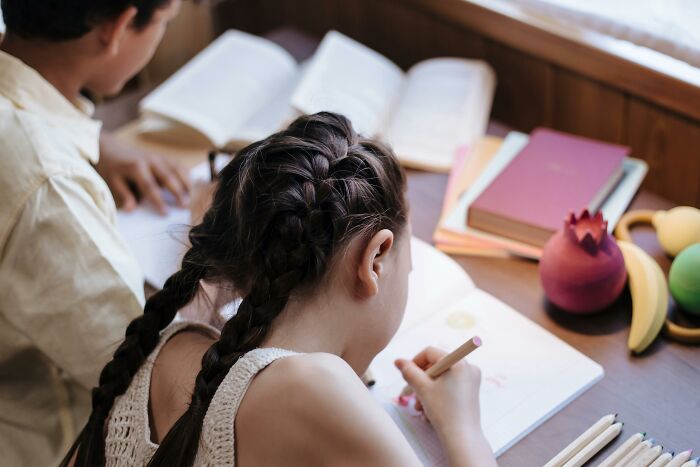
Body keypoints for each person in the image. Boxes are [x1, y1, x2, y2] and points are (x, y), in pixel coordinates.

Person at [65, 112, 497, 467]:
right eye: (409, 267)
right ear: (375, 259)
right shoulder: (317, 388)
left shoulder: (164, 346)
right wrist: (463, 427)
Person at [0, 1, 193, 465]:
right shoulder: (50, 186)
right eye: (165, 23)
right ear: (120, 26)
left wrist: (94, 142)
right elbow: (148, 381)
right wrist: (212, 249)